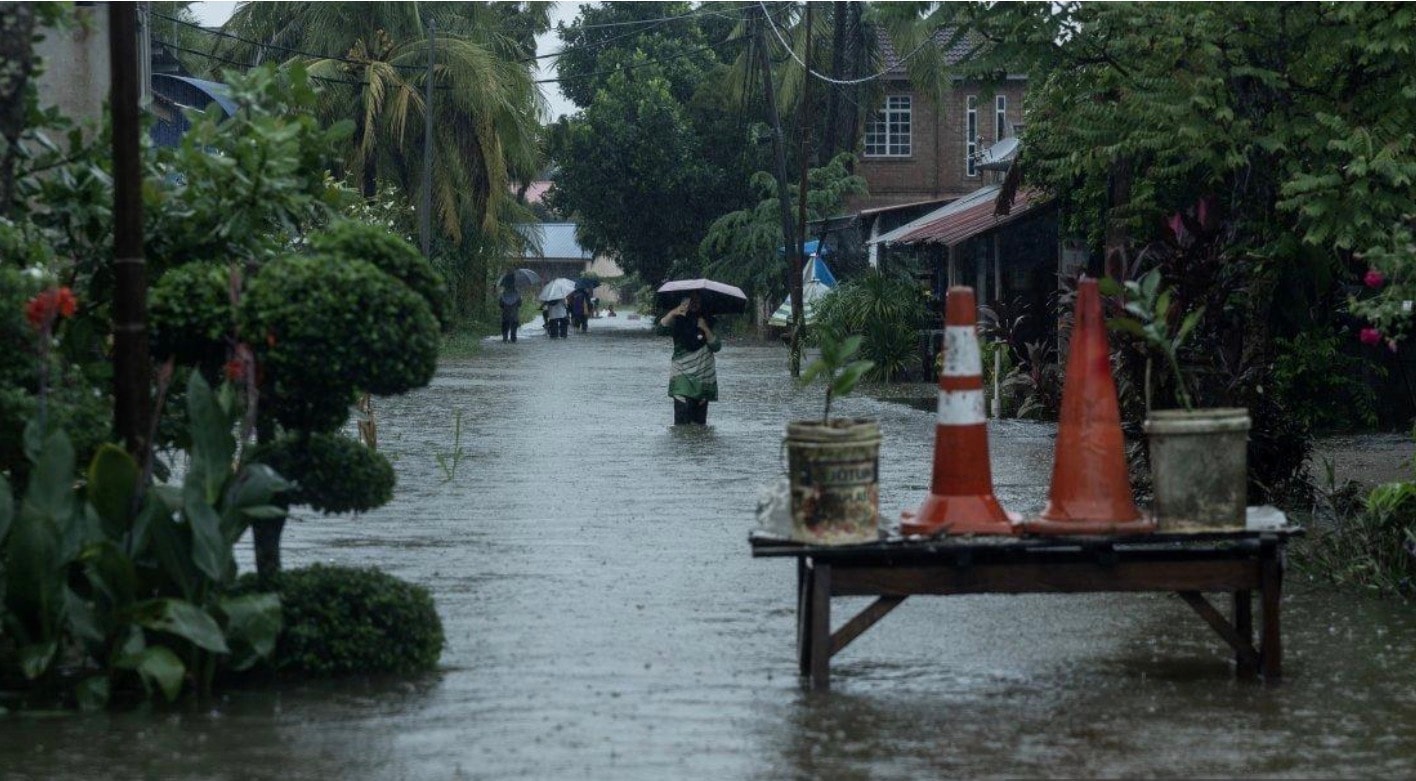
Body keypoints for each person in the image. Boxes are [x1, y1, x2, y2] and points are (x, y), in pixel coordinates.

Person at [657, 293, 721, 425]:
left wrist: (704, 328)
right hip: (682, 379)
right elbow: (660, 330)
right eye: (690, 300)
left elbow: (716, 346)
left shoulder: (709, 321)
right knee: (681, 426)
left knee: (699, 427)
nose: (693, 303)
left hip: (703, 380)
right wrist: (673, 313)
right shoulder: (678, 320)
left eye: (697, 300)